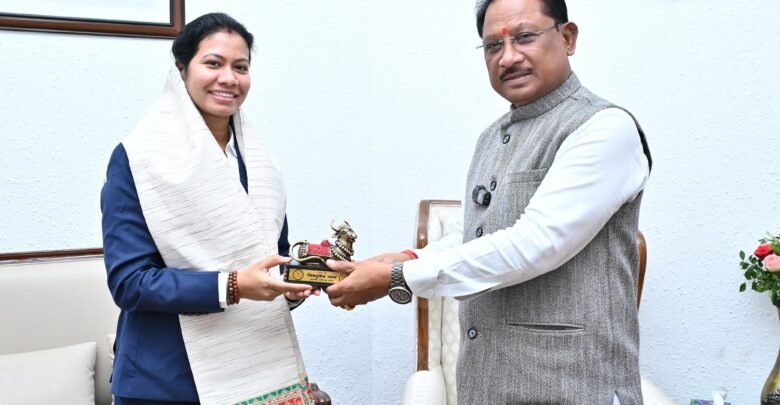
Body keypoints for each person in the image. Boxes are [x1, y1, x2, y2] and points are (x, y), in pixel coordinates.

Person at [325, 0, 652, 403]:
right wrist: (408, 258)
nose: (508, 57)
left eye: (525, 37)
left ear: (567, 38)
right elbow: (477, 235)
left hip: (576, 388)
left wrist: (397, 277)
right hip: (487, 386)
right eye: (494, 45)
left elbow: (535, 243)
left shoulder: (605, 128)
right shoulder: (491, 138)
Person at [101, 13, 318, 404]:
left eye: (241, 67)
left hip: (256, 371)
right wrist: (233, 286)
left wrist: (305, 279)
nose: (229, 78)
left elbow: (270, 261)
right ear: (182, 69)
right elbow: (130, 283)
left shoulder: (262, 165)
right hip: (163, 381)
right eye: (214, 63)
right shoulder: (140, 159)